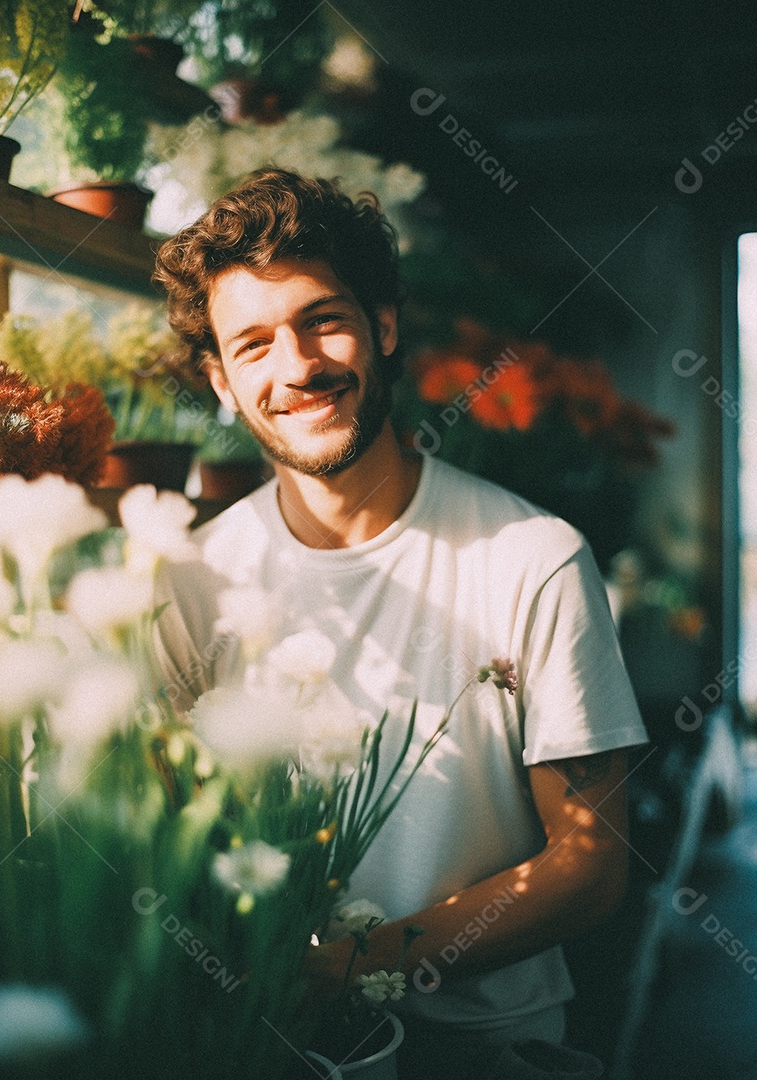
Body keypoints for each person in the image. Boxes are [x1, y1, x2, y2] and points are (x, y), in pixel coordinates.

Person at [152, 168, 648, 1078]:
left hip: (489, 1048)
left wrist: (345, 972)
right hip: (266, 1046)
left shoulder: (532, 557)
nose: (297, 366)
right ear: (221, 382)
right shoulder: (191, 579)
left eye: (322, 320)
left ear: (382, 327)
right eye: (253, 344)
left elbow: (590, 868)